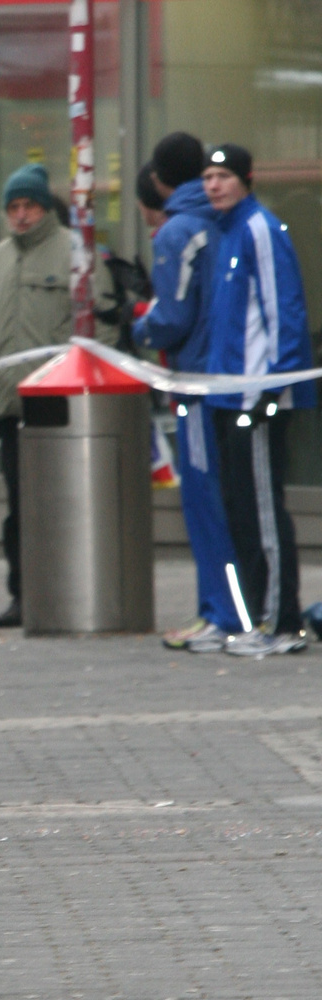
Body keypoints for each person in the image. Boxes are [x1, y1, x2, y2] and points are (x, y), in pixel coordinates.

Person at [0, 163, 120, 628]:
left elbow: (105, 326)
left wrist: (87, 385)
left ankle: (68, 589)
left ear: (45, 208)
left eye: (30, 206)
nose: (21, 216)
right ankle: (23, 594)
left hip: (61, 403)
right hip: (10, 404)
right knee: (20, 509)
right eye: (13, 207)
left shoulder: (76, 255)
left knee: (63, 505)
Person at [201, 144, 313, 657]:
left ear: (246, 178)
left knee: (265, 512)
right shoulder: (223, 233)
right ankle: (254, 617)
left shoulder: (260, 230)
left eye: (223, 176)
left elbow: (283, 308)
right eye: (207, 177)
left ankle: (282, 623)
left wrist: (273, 388)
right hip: (226, 396)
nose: (214, 185)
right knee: (241, 511)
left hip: (256, 398)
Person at [131, 134, 239, 654]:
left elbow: (172, 319)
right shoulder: (225, 220)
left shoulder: (178, 230)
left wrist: (138, 326)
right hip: (232, 376)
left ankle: (221, 611)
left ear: (157, 180)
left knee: (204, 501)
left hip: (196, 382)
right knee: (233, 498)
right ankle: (237, 606)